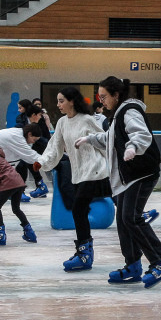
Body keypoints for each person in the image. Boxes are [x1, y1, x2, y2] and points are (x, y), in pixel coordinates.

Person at [76, 76, 161, 288]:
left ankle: (159, 262)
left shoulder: (129, 111)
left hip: (141, 173)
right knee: (122, 219)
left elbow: (141, 134)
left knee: (131, 218)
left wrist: (133, 148)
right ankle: (133, 266)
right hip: (128, 177)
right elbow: (109, 139)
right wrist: (89, 139)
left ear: (116, 95)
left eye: (104, 97)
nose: (101, 101)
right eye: (99, 97)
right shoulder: (117, 115)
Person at [37, 86, 111, 271]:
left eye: (61, 100)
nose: (58, 104)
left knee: (78, 209)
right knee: (80, 211)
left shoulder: (87, 120)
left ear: (72, 101)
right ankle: (84, 253)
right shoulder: (62, 122)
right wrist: (42, 161)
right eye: (57, 101)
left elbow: (104, 142)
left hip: (94, 169)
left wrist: (116, 164)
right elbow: (55, 147)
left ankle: (84, 253)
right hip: (78, 173)